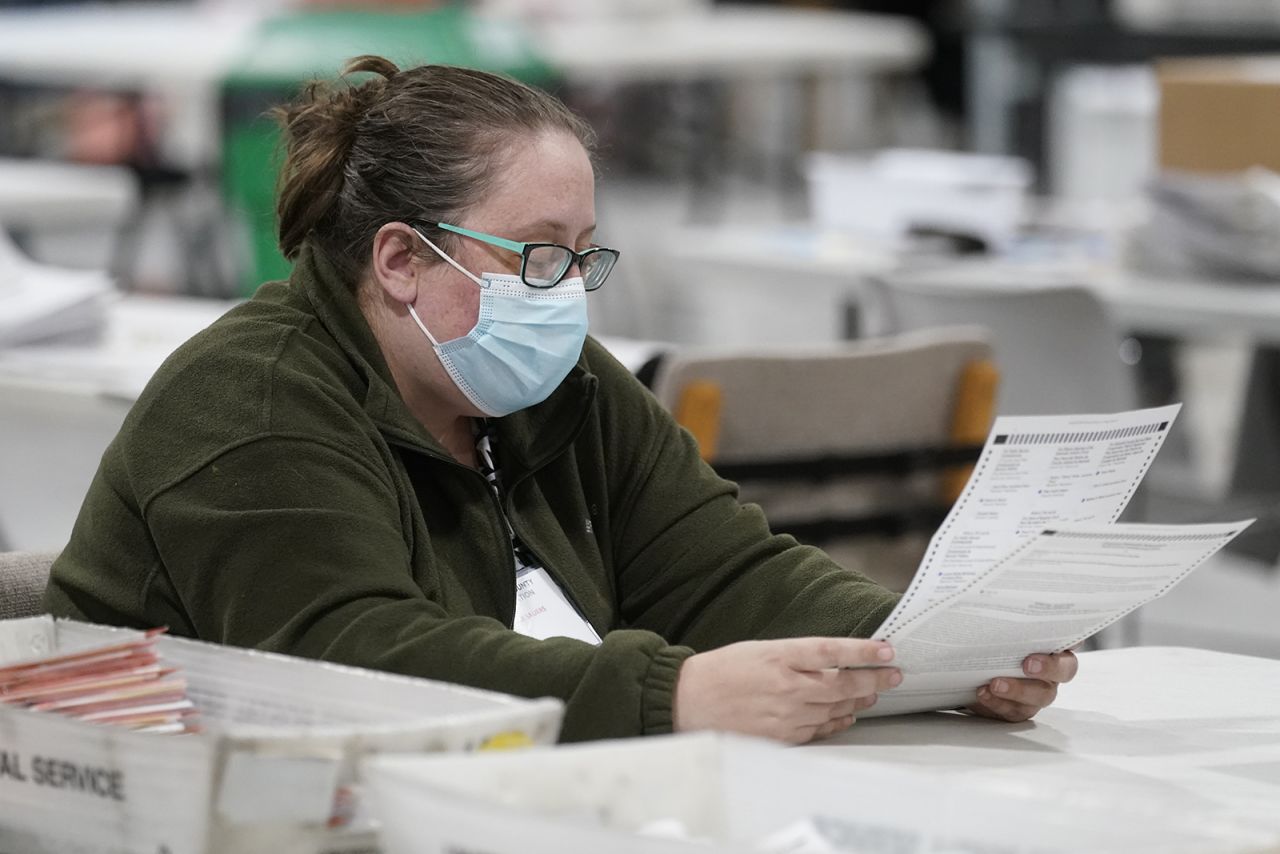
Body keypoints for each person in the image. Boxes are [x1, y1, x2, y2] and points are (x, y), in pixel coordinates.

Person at [43, 55, 1076, 743]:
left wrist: (928, 647)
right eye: (539, 253)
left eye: (583, 254)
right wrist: (671, 693)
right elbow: (356, 661)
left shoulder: (553, 387)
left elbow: (719, 568)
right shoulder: (251, 402)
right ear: (401, 257)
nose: (567, 289)